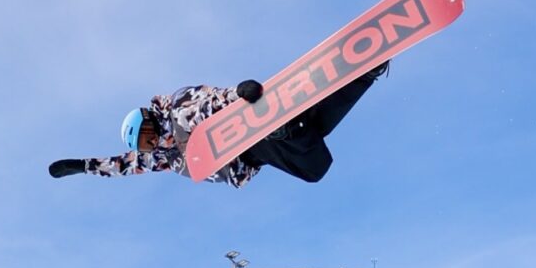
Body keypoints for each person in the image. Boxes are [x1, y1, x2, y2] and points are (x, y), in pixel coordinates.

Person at [48, 65, 389, 188]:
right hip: (252, 157)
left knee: (314, 160)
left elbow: (208, 101)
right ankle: (363, 77)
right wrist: (83, 167)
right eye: (147, 146)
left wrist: (239, 96)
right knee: (316, 152)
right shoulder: (165, 157)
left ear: (151, 119)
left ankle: (285, 127)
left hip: (244, 139)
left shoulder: (177, 111)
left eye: (150, 135)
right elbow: (123, 166)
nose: (155, 144)